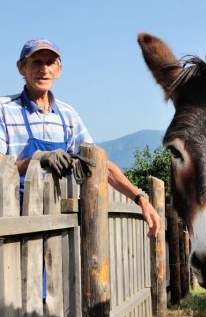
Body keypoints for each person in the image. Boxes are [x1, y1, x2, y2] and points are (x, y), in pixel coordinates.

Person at [0, 38, 160, 238]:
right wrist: (37, 160)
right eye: (36, 62)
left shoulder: (68, 115)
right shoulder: (5, 110)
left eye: (50, 63)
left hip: (55, 226)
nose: (44, 69)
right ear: (21, 68)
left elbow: (99, 164)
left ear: (59, 70)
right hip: (11, 223)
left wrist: (140, 198)